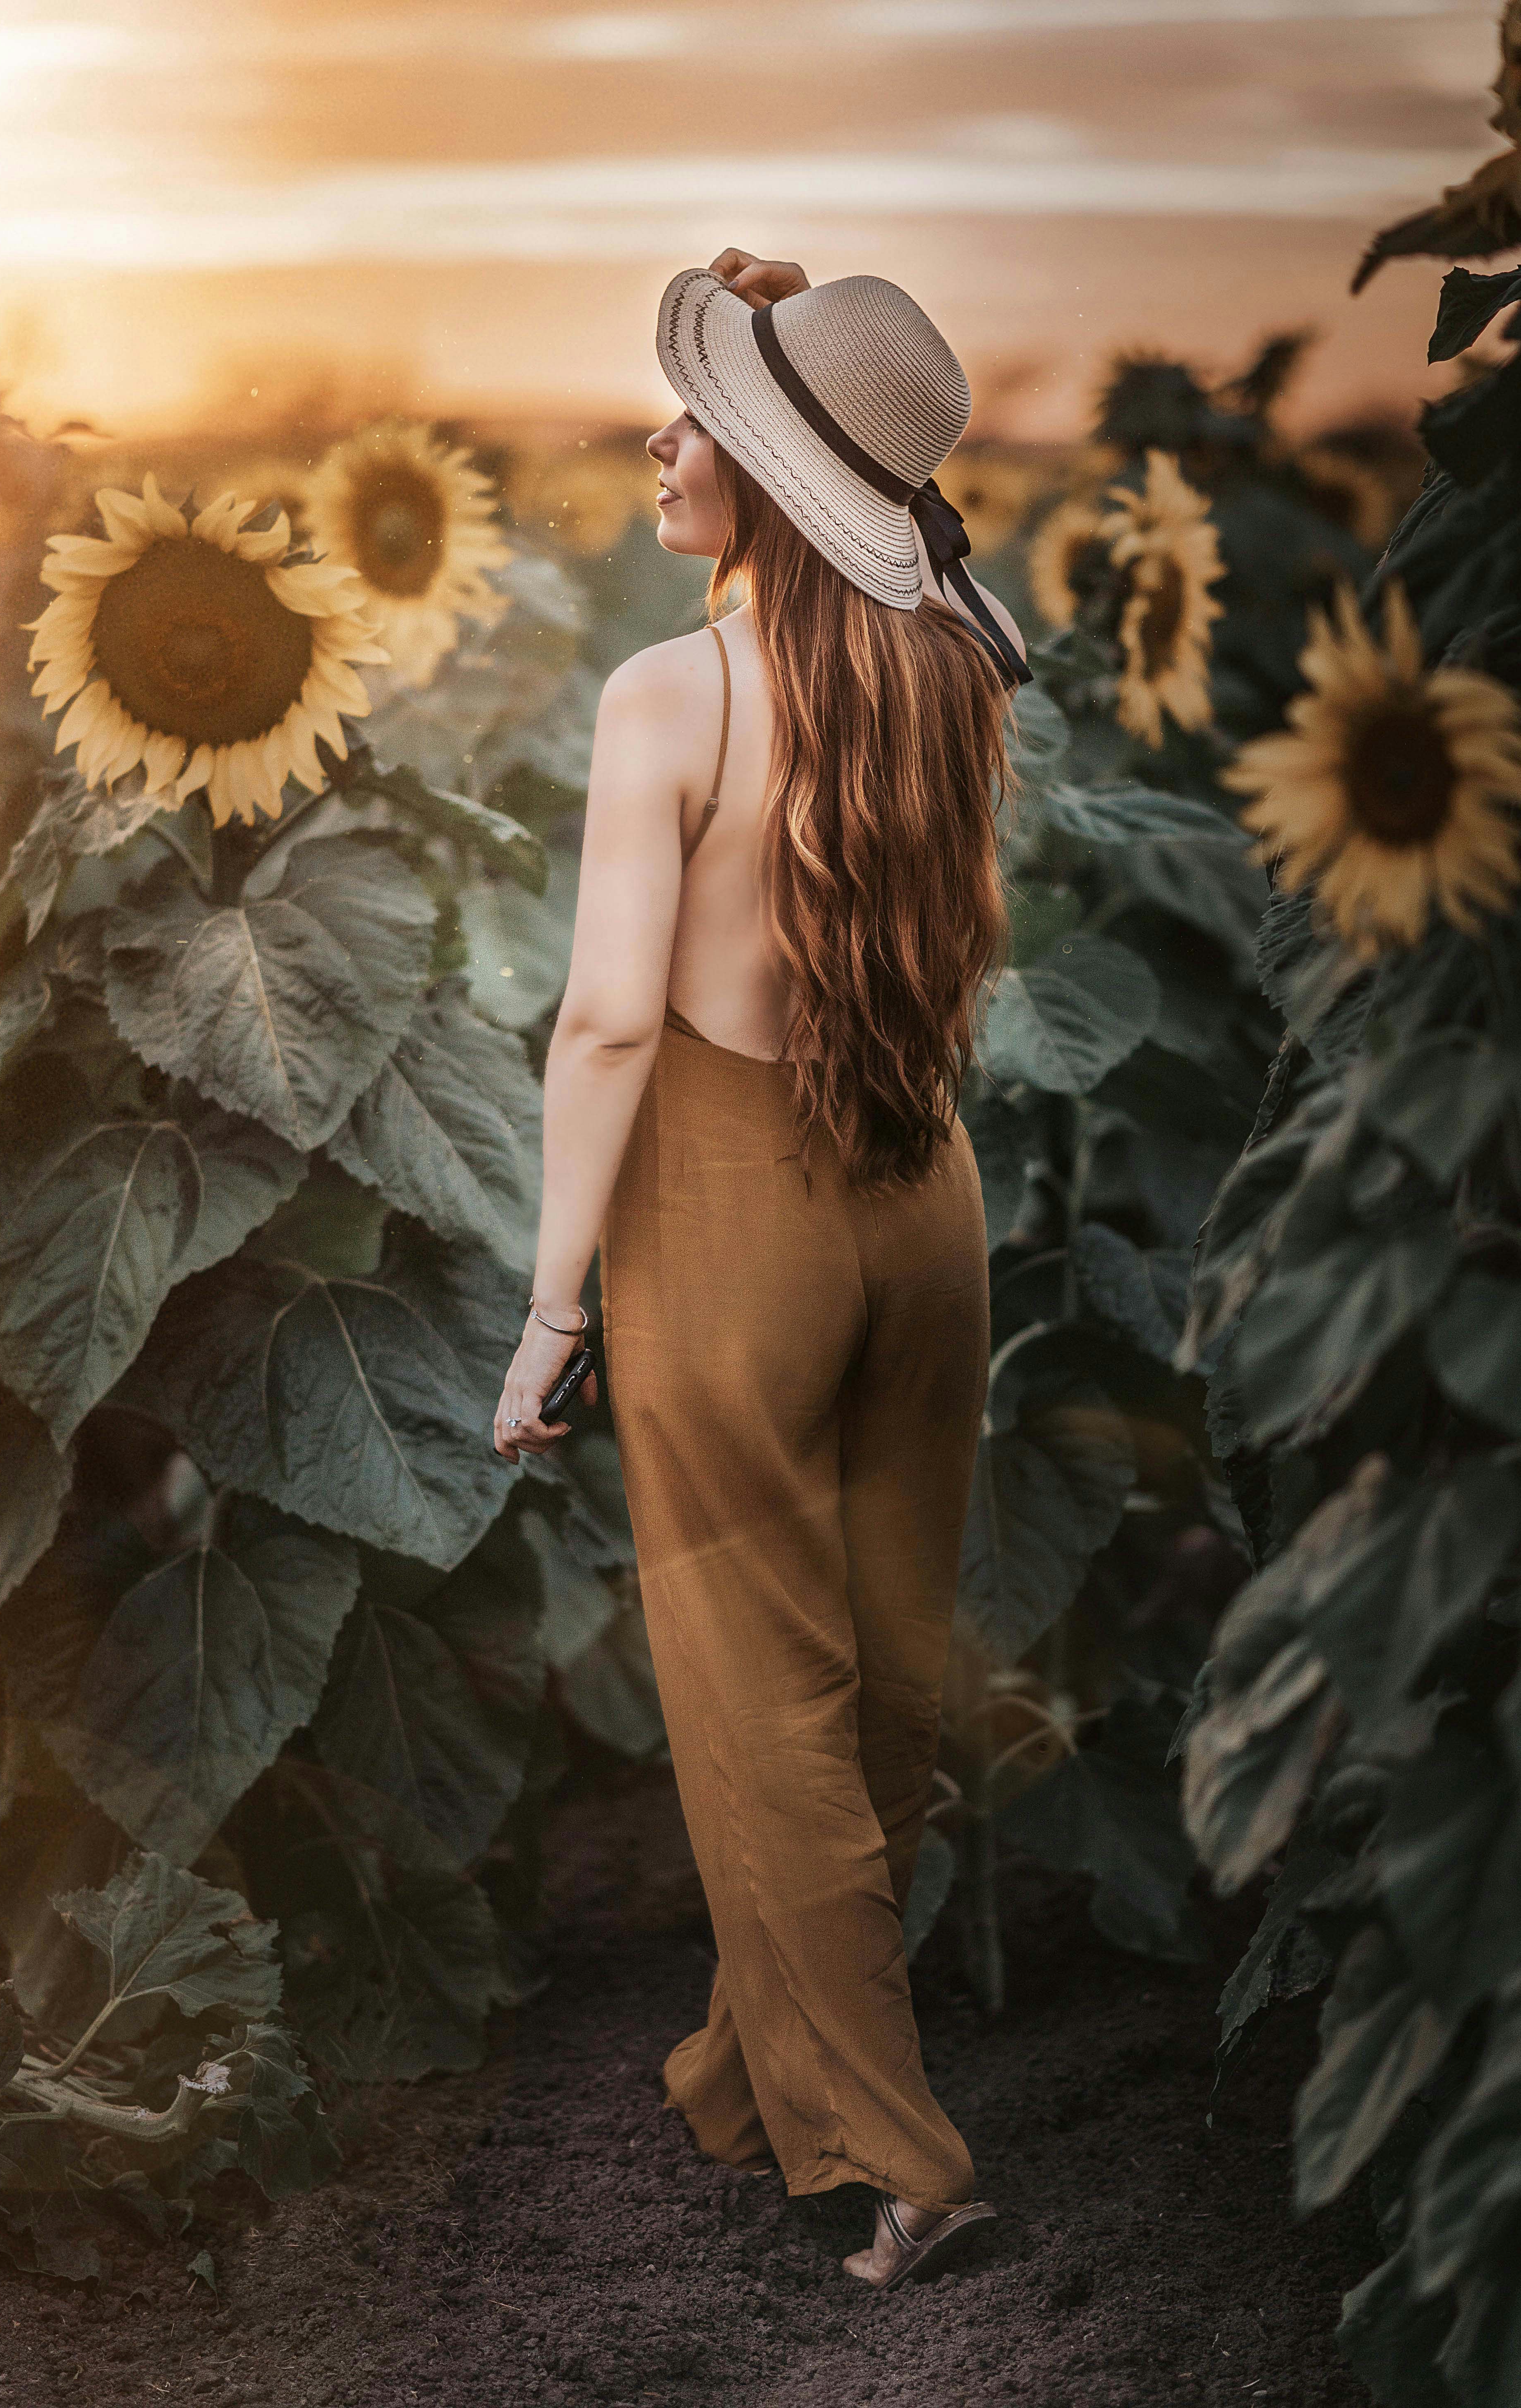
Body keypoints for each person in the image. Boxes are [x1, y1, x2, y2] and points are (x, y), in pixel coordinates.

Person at [493, 247, 1026, 2293]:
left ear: (784, 478)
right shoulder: (952, 667)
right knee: (887, 1683)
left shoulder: (674, 693)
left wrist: (556, 1313)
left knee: (758, 1709)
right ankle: (753, 2067)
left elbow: (610, 1024)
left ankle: (903, 2159)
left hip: (731, 1220)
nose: (662, 434)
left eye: (700, 417)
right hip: (923, 1201)